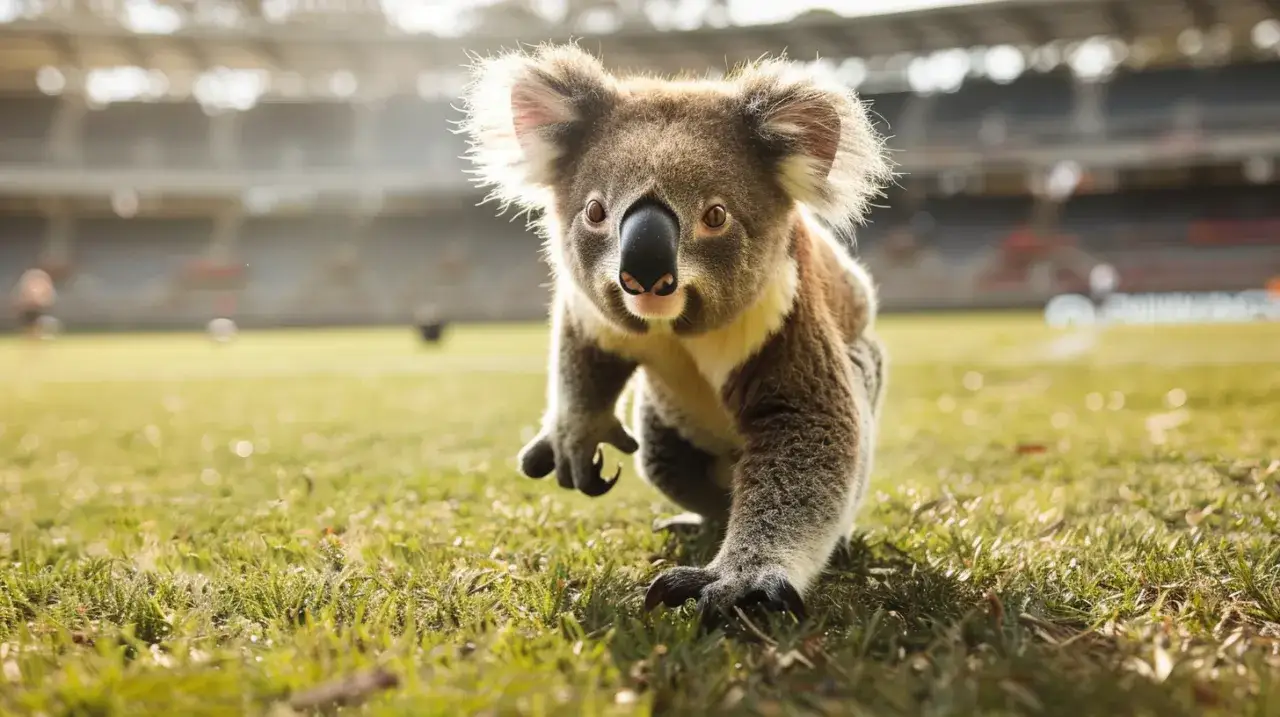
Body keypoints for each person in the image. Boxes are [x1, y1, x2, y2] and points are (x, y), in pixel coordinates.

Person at [12, 268, 56, 339]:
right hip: (29, 308)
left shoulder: (42, 284)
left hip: (37, 308)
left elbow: (48, 296)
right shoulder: (29, 285)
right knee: (29, 324)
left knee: (37, 323)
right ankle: (31, 335)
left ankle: (36, 335)